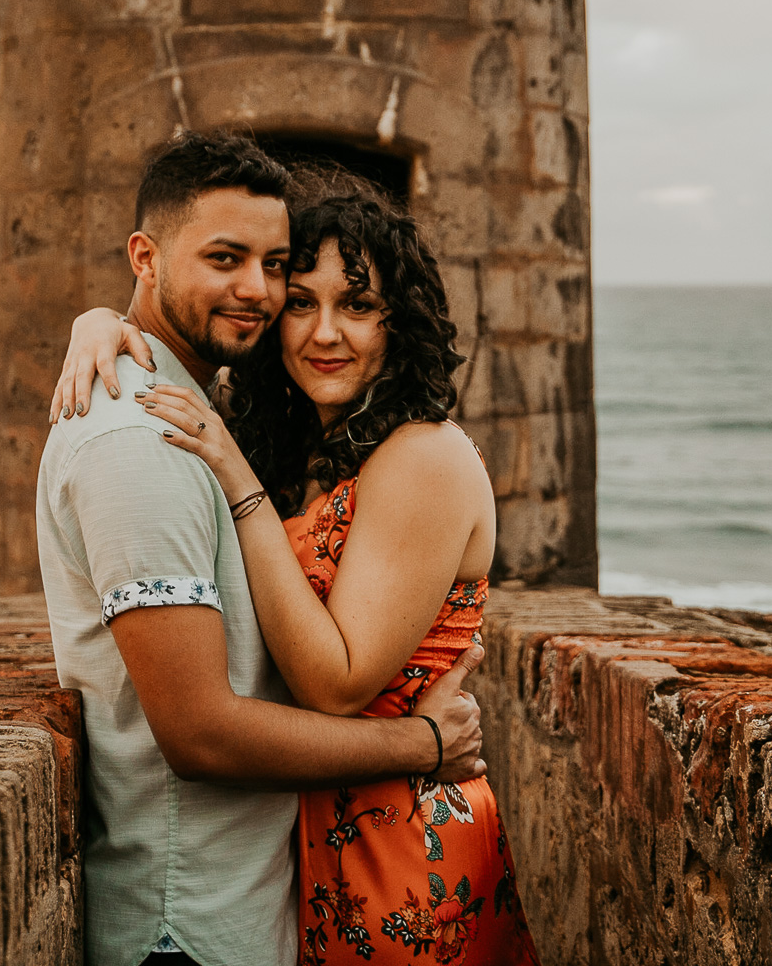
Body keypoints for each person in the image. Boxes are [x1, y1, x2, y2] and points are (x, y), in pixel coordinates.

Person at [53, 148, 541, 965]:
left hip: (402, 843)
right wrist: (104, 323)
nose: (323, 332)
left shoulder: (424, 457)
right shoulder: (305, 452)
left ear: (400, 319)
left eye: (357, 306)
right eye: (300, 300)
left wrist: (239, 481)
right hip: (311, 849)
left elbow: (335, 682)